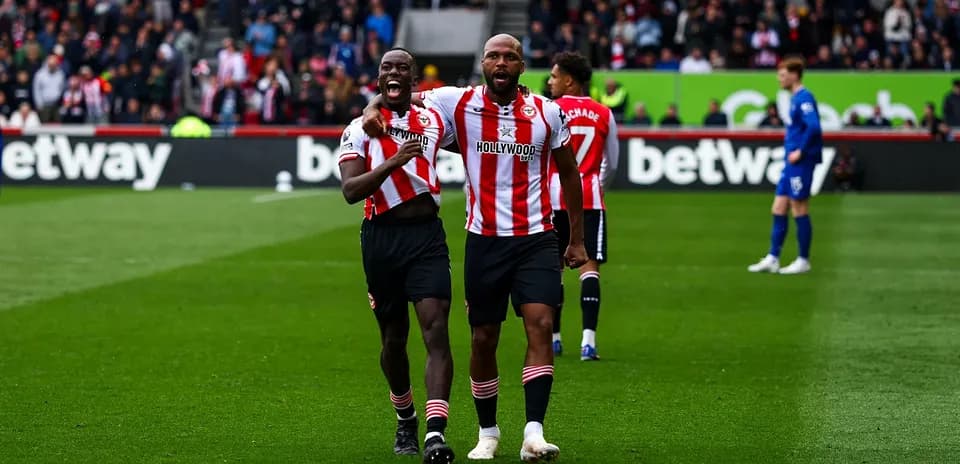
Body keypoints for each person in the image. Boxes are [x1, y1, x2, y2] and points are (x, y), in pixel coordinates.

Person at [362, 34, 588, 462]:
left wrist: (575, 239)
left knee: (540, 324)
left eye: (510, 57)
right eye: (494, 56)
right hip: (484, 239)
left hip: (536, 237)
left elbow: (570, 173)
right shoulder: (456, 102)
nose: (501, 63)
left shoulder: (547, 112)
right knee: (483, 338)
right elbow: (396, 95)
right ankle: (488, 432)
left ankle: (534, 433)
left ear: (522, 66)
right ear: (482, 62)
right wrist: (371, 108)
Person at [338, 48, 457, 464]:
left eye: (402, 68)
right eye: (387, 67)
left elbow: (478, 125)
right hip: (381, 239)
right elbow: (351, 191)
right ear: (378, 77)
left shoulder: (434, 119)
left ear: (412, 79)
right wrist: (392, 162)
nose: (394, 72)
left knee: (436, 329)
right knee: (393, 339)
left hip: (427, 237)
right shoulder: (359, 128)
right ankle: (405, 416)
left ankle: (435, 433)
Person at [545, 51, 619, 361]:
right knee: (590, 269)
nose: (550, 82)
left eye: (554, 76)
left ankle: (555, 338)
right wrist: (595, 184)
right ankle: (588, 341)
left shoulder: (549, 110)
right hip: (589, 199)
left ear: (569, 80)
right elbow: (612, 163)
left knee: (554, 269)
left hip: (552, 198)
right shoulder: (604, 112)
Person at [748, 57, 822, 275]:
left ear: (794, 75)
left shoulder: (804, 98)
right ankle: (773, 257)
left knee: (799, 208)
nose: (779, 79)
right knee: (778, 207)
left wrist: (801, 150)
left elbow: (814, 127)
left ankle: (803, 260)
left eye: (782, 75)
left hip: (800, 161)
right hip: (791, 163)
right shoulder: (794, 98)